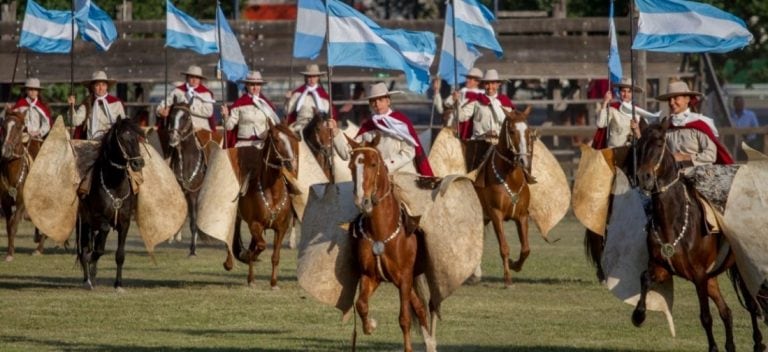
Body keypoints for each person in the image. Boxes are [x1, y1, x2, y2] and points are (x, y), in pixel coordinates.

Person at [330, 82, 433, 176]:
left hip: (403, 175)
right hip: (377, 179)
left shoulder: (401, 123)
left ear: (388, 101)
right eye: (373, 101)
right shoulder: (368, 127)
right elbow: (349, 153)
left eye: (381, 100)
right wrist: (335, 133)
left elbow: (409, 151)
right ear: (370, 104)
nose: (377, 104)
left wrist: (386, 165)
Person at [654, 80, 733, 167]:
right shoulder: (668, 127)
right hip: (673, 174)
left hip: (699, 174)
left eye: (676, 98)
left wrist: (685, 157)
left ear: (687, 99)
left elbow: (711, 155)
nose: (671, 103)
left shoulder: (699, 124)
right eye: (669, 99)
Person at [593, 77, 660, 149]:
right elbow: (600, 123)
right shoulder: (613, 109)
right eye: (623, 91)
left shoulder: (637, 112)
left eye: (629, 91)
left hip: (630, 152)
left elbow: (641, 139)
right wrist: (605, 102)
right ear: (619, 92)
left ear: (633, 93)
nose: (626, 94)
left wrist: (637, 130)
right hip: (614, 151)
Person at [221, 71, 280, 149]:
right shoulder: (239, 103)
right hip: (243, 145)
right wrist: (225, 116)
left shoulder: (266, 104)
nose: (255, 87)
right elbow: (229, 127)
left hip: (262, 146)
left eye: (258, 84)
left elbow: (273, 126)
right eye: (252, 84)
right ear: (246, 85)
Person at [155, 65, 217, 135]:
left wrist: (187, 108)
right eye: (191, 77)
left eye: (197, 77)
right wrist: (160, 111)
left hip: (201, 129)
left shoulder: (206, 93)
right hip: (180, 130)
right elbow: (163, 105)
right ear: (187, 77)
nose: (194, 80)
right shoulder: (177, 91)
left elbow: (208, 112)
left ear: (200, 79)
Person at [458, 69, 516, 143]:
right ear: (483, 85)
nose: (490, 87)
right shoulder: (476, 100)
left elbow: (512, 123)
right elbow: (461, 117)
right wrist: (457, 103)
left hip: (500, 143)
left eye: (493, 83)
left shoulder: (505, 102)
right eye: (487, 83)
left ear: (498, 84)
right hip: (480, 142)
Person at [68, 71, 125, 140]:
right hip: (92, 142)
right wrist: (71, 107)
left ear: (107, 86)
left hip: (111, 143)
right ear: (92, 87)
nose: (101, 88)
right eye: (97, 85)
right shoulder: (87, 103)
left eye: (103, 85)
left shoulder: (116, 103)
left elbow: (123, 124)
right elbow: (75, 121)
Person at [284, 64, 337, 134]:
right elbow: (287, 111)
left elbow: (331, 114)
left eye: (314, 76)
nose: (312, 79)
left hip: (319, 127)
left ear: (318, 77)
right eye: (309, 76)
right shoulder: (297, 93)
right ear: (305, 77)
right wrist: (287, 100)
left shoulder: (324, 96)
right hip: (299, 125)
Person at [433, 68, 484, 139]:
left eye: (470, 78)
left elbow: (462, 117)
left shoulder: (478, 98)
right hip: (447, 132)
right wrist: (436, 91)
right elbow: (441, 110)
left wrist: (456, 102)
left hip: (462, 136)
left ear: (477, 82)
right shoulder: (460, 92)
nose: (467, 80)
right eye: (467, 78)